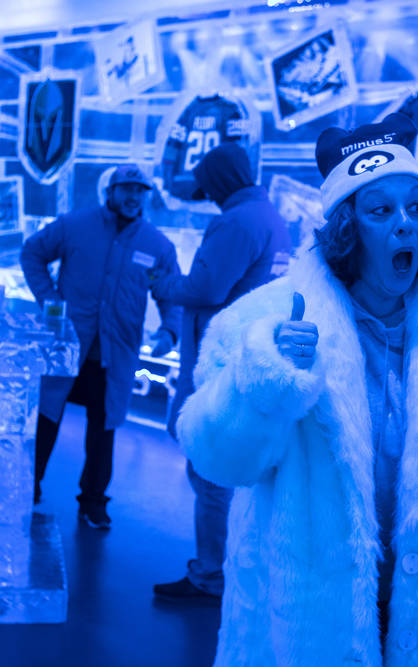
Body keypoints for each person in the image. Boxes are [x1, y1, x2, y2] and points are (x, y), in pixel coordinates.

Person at [176, 114, 418, 667]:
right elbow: (215, 458)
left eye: (415, 206)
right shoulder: (264, 320)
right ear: (347, 229)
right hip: (300, 625)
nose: (406, 225)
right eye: (380, 211)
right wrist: (267, 380)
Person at [150, 143, 292, 603]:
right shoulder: (269, 216)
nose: (207, 195)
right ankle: (230, 571)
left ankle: (211, 576)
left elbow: (206, 287)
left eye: (209, 185)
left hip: (219, 363)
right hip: (246, 358)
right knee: (230, 473)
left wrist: (163, 284)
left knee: (210, 470)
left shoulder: (237, 221)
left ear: (220, 180)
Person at [21, 164, 181, 529]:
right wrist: (49, 301)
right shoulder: (75, 226)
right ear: (110, 191)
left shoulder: (156, 247)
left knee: (102, 431)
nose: (132, 196)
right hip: (66, 349)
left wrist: (170, 330)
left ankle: (93, 502)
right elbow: (32, 253)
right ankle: (28, 488)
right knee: (46, 421)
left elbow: (168, 291)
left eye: (140, 190)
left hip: (114, 357)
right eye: (126, 188)